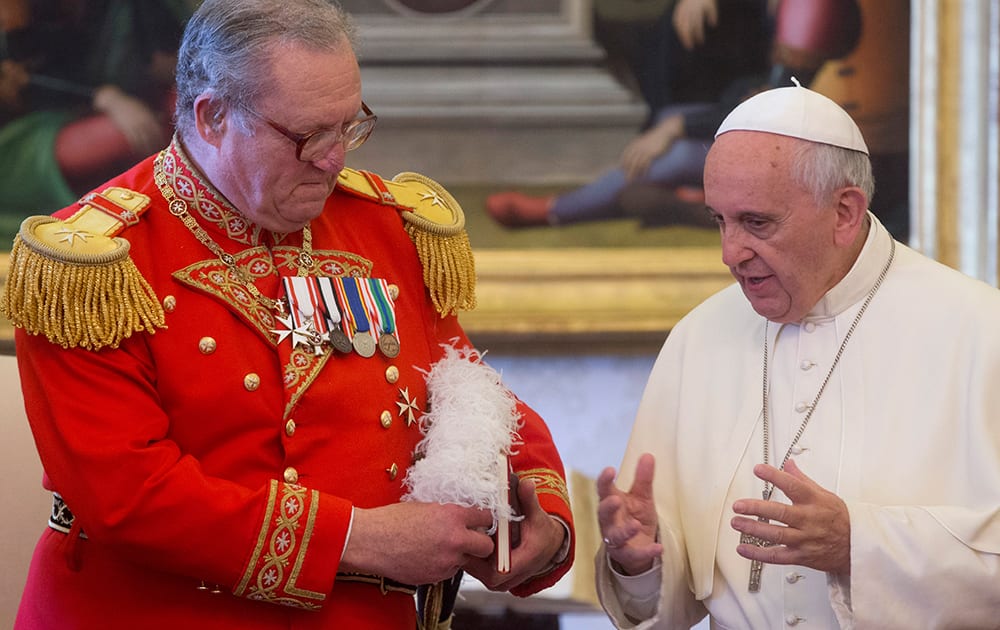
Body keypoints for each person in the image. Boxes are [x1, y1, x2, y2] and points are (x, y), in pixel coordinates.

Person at [1, 1, 574, 628]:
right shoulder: (91, 265)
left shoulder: (385, 227)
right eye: (307, 137)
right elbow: (128, 495)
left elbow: (469, 395)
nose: (333, 160)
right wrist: (359, 538)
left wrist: (538, 513)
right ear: (212, 116)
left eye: (349, 128)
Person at [593, 84, 1000, 628]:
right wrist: (636, 564)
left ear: (845, 213)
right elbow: (667, 602)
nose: (729, 254)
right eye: (719, 219)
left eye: (757, 222)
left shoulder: (980, 330)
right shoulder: (700, 338)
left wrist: (859, 544)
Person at [486, 0, 868, 232]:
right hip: (742, 115)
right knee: (675, 116)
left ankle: (554, 211)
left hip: (788, 138)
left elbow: (779, 102)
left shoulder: (817, 10)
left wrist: (675, 129)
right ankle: (700, 201)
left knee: (679, 151)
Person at [0, 0, 191, 235]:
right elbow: (34, 75)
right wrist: (103, 96)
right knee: (127, 134)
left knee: (186, 108)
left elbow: (165, 59)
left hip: (120, 102)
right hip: (27, 135)